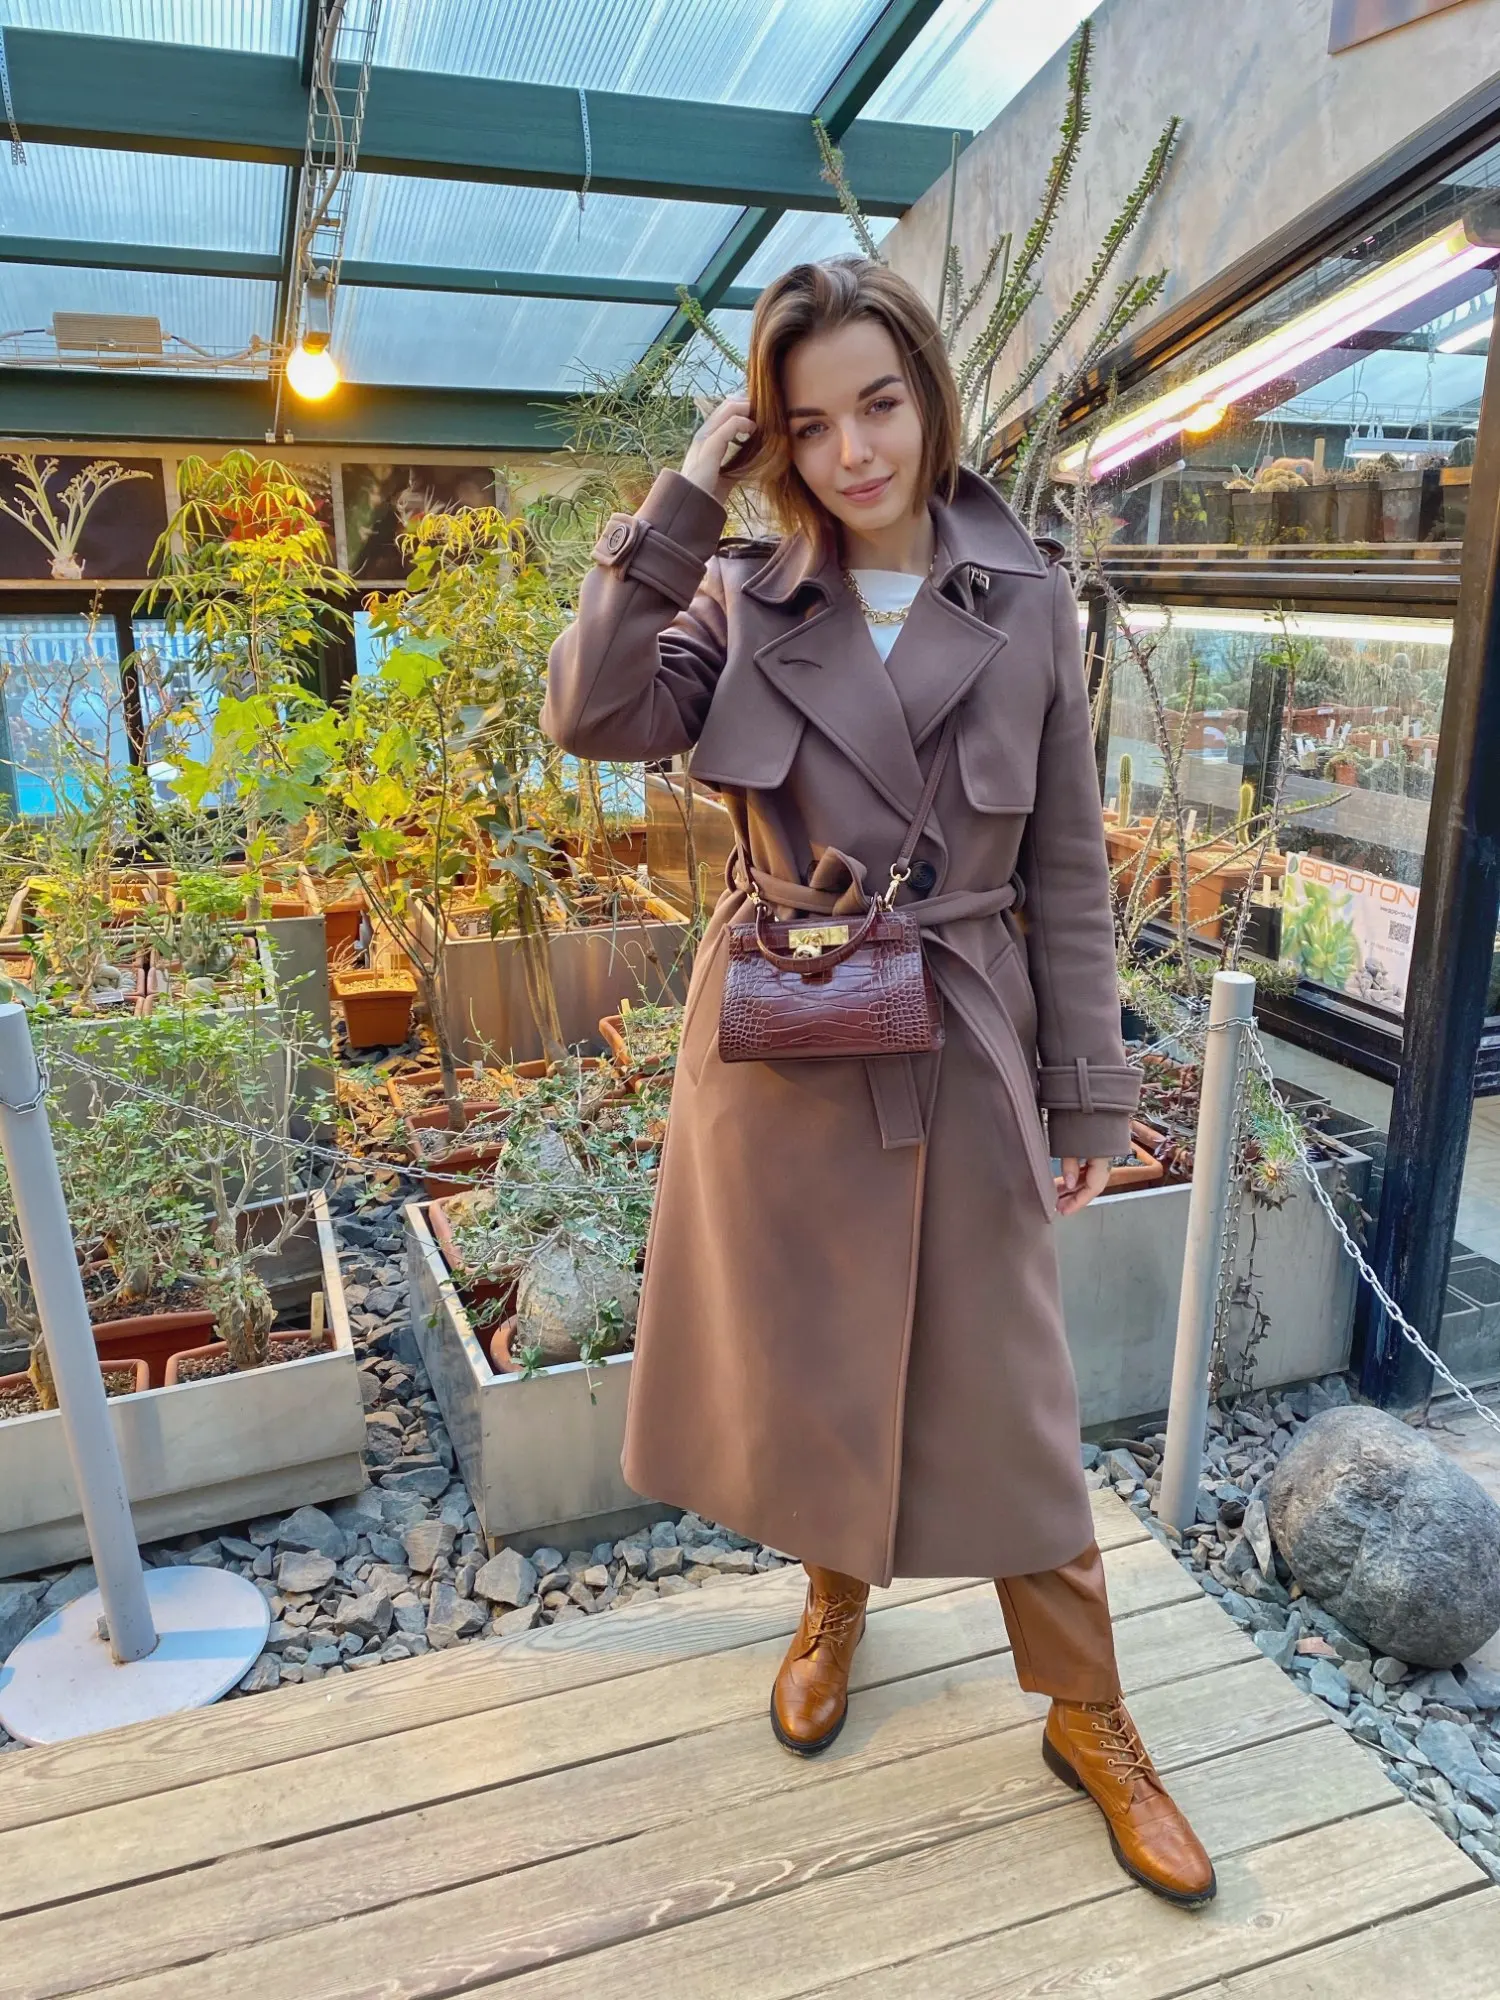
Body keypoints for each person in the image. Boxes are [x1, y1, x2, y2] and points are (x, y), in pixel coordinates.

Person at [544, 257, 1216, 1908]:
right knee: (823, 1358)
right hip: (785, 1041)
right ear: (769, 440)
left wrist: (1088, 1096)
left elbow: (1067, 872)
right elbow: (593, 711)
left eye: (881, 404)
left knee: (1015, 1392)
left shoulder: (1027, 598)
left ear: (929, 393)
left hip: (964, 1032)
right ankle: (834, 1599)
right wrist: (683, 503)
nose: (854, 451)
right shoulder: (740, 597)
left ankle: (1090, 1713)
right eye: (808, 423)